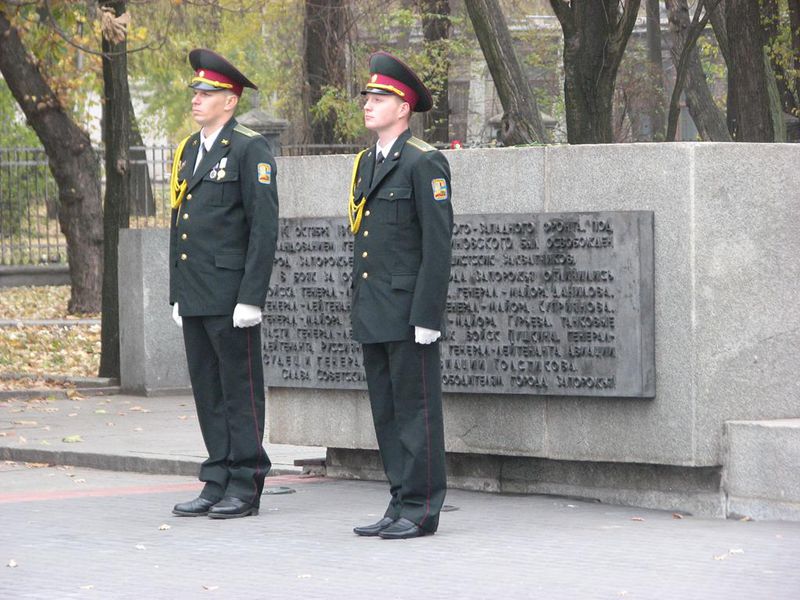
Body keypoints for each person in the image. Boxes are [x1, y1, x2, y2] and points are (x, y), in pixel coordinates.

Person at [168, 48, 279, 519]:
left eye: (207, 92)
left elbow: (263, 226)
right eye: (196, 91)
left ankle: (246, 481)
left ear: (230, 101)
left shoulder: (250, 149)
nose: (197, 99)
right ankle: (216, 477)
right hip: (196, 291)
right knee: (208, 390)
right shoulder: (190, 149)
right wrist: (176, 292)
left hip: (232, 295)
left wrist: (251, 296)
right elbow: (181, 224)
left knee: (239, 388)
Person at [348, 51, 453, 539]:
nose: (368, 104)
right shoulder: (368, 162)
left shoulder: (424, 162)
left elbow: (437, 243)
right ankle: (398, 499)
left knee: (417, 412)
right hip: (376, 309)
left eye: (379, 97)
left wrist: (428, 314)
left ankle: (423, 506)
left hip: (411, 312)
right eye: (368, 96)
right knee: (387, 413)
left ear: (404, 107)